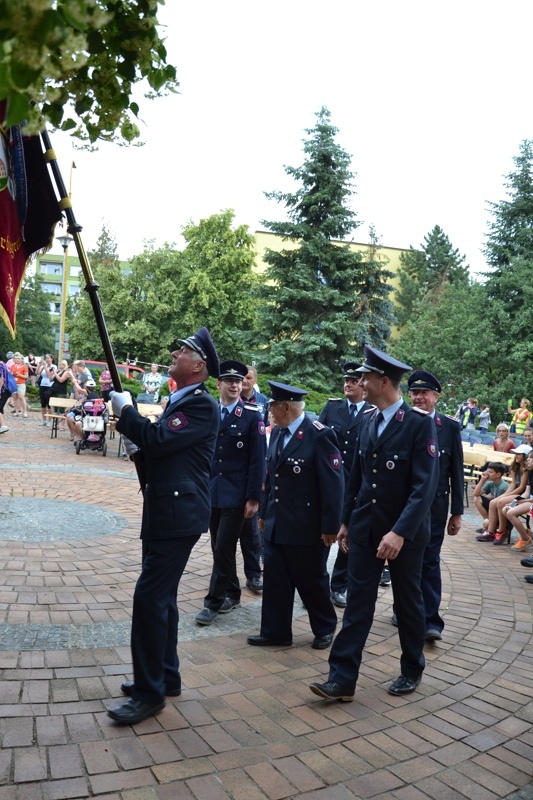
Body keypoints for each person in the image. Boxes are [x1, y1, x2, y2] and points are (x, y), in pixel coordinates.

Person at [309, 346, 438, 703]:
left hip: (404, 535)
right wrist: (346, 520)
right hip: (365, 528)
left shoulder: (418, 424)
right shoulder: (368, 420)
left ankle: (412, 668)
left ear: (383, 381)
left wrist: (399, 532)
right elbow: (357, 477)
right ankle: (341, 679)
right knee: (357, 605)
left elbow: (424, 488)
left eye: (365, 377)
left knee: (408, 604)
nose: (360, 382)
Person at [106, 327, 220, 725]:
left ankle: (149, 692)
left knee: (149, 599)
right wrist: (137, 439)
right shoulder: (181, 400)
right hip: (167, 510)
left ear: (199, 366)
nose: (174, 353)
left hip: (178, 515)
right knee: (163, 598)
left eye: (182, 351)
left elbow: (157, 439)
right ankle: (165, 675)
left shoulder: (201, 404)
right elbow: (162, 449)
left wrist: (127, 413)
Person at [247, 380, 344, 650]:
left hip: (307, 526)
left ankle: (324, 627)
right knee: (276, 578)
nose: (269, 412)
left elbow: (333, 485)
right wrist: (264, 512)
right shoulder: (278, 433)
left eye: (273, 407)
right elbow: (272, 478)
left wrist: (330, 526)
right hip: (277, 521)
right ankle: (275, 631)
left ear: (286, 407)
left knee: (311, 579)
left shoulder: (319, 435)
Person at [195, 359, 266, 626]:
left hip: (237, 494)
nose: (235, 385)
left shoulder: (251, 415)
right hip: (212, 491)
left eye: (238, 381)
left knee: (224, 546)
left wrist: (253, 498)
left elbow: (258, 461)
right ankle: (233, 593)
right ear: (219, 384)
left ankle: (213, 602)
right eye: (230, 381)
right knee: (218, 546)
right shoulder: (211, 412)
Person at [403, 370, 463, 642]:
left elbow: (456, 470)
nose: (418, 397)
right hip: (405, 508)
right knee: (404, 562)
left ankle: (431, 621)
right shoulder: (402, 421)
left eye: (424, 393)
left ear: (436, 396)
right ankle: (404, 610)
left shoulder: (448, 427)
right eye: (414, 393)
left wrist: (457, 512)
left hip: (435, 509)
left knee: (429, 561)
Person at [319, 361, 372, 607]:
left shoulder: (371, 413)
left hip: (355, 486)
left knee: (347, 536)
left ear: (363, 385)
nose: (348, 384)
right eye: (346, 381)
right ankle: (317, 584)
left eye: (353, 381)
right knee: (321, 534)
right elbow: (318, 442)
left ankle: (338, 586)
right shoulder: (332, 408)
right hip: (329, 484)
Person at [476, 444, 532, 544]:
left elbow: (521, 488)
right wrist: (506, 494)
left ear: (525, 456)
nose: (516, 456)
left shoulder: (526, 470)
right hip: (515, 492)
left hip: (522, 494)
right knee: (493, 502)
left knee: (501, 502)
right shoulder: (515, 467)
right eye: (515, 454)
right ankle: (491, 531)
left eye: (518, 454)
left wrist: (506, 496)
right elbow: (513, 483)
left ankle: (502, 530)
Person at [504, 450, 533, 552]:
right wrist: (514, 502)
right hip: (529, 500)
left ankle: (525, 539)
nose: (528, 460)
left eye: (531, 458)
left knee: (511, 513)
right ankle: (526, 532)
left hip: (531, 501)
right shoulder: (530, 472)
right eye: (528, 457)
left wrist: (524, 501)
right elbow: (526, 492)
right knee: (506, 509)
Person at [472, 462, 508, 530]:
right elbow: (476, 494)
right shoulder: (491, 483)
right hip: (493, 507)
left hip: (500, 511)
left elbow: (498, 506)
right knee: (477, 498)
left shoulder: (503, 487)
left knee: (486, 523)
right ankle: (489, 523)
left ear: (498, 475)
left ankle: (490, 525)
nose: (488, 473)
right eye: (488, 471)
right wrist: (482, 480)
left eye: (490, 472)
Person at [36, 354, 56, 426]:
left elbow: (48, 374)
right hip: (42, 385)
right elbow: (37, 373)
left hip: (49, 385)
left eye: (48, 358)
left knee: (49, 404)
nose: (47, 360)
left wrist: (45, 366)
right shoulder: (43, 366)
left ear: (51, 359)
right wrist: (39, 365)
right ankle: (44, 420)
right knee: (43, 403)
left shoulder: (53, 367)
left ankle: (50, 420)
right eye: (46, 358)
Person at [9, 352, 29, 417]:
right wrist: (12, 374)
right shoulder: (12, 366)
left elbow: (26, 376)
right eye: (15, 358)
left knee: (21, 397)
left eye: (18, 358)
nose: (17, 360)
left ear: (21, 359)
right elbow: (10, 374)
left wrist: (20, 375)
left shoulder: (24, 367)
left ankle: (25, 412)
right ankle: (17, 411)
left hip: (21, 383)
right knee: (15, 398)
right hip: (14, 384)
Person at [0, 352, 11, 434]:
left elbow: (1, 379)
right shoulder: (3, 364)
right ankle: (1, 427)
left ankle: (3, 426)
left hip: (3, 390)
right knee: (1, 408)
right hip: (6, 390)